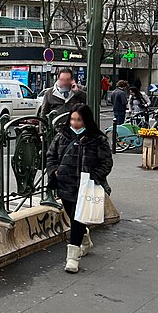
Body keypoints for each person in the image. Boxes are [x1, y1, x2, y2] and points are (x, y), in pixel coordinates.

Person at [46, 103, 113, 273]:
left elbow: (106, 162)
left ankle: (72, 258)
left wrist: (93, 176)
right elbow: (51, 155)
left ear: (86, 121)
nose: (74, 123)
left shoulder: (97, 139)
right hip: (65, 184)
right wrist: (55, 172)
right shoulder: (62, 136)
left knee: (77, 219)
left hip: (85, 187)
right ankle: (85, 240)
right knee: (73, 216)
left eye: (79, 120)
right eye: (72, 119)